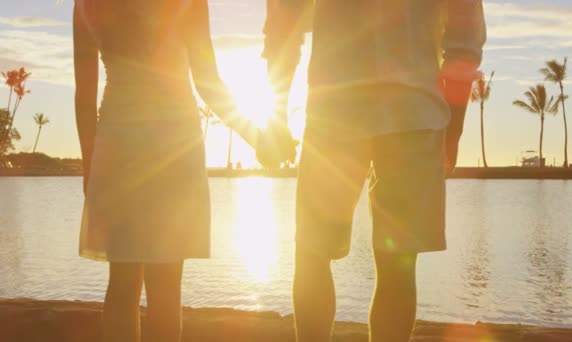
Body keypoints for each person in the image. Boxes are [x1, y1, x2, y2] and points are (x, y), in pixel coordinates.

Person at [263, 1, 486, 341]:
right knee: (397, 265)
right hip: (413, 113)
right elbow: (465, 32)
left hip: (335, 109)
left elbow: (284, 19)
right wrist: (453, 128)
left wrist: (277, 111)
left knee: (312, 254)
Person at [73, 1, 294, 341]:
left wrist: (91, 164)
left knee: (122, 282)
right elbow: (208, 81)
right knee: (166, 285)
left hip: (119, 143)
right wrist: (258, 137)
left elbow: (84, 95)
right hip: (174, 142)